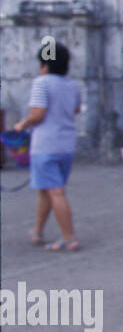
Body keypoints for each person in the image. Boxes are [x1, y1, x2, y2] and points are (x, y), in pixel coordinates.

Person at [13, 41, 82, 251]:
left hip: (45, 144)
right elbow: (76, 109)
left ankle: (68, 238)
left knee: (56, 192)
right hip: (66, 145)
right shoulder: (72, 85)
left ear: (44, 65)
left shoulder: (41, 83)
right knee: (46, 190)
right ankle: (37, 230)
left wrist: (21, 124)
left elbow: (37, 114)